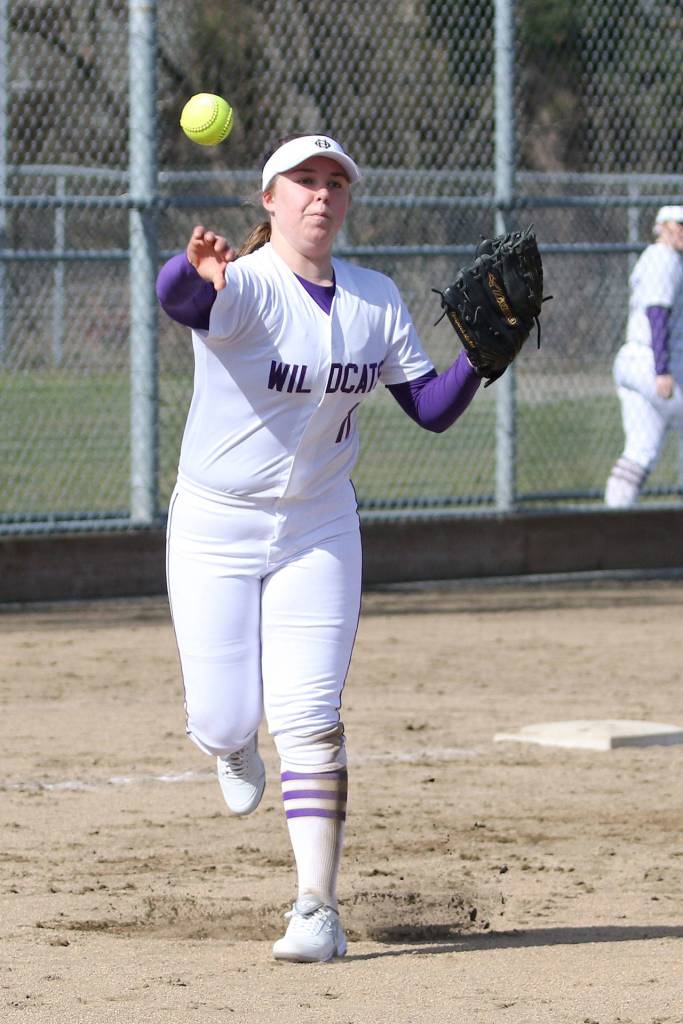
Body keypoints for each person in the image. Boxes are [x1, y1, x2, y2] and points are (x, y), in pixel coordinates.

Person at [155, 132, 482, 962]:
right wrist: (190, 272)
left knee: (310, 716)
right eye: (303, 180)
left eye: (335, 182)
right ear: (269, 199)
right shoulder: (247, 284)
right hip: (215, 525)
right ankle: (228, 744)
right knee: (228, 715)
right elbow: (183, 305)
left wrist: (480, 357)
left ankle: (315, 910)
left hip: (319, 524)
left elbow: (432, 409)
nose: (322, 194)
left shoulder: (373, 297)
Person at [605, 205, 683, 507]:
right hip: (652, 362)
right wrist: (661, 370)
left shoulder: (660, 257)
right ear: (662, 226)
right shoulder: (664, 258)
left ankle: (614, 522)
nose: (682, 230)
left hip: (633, 361)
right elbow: (657, 312)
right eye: (678, 224)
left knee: (640, 450)